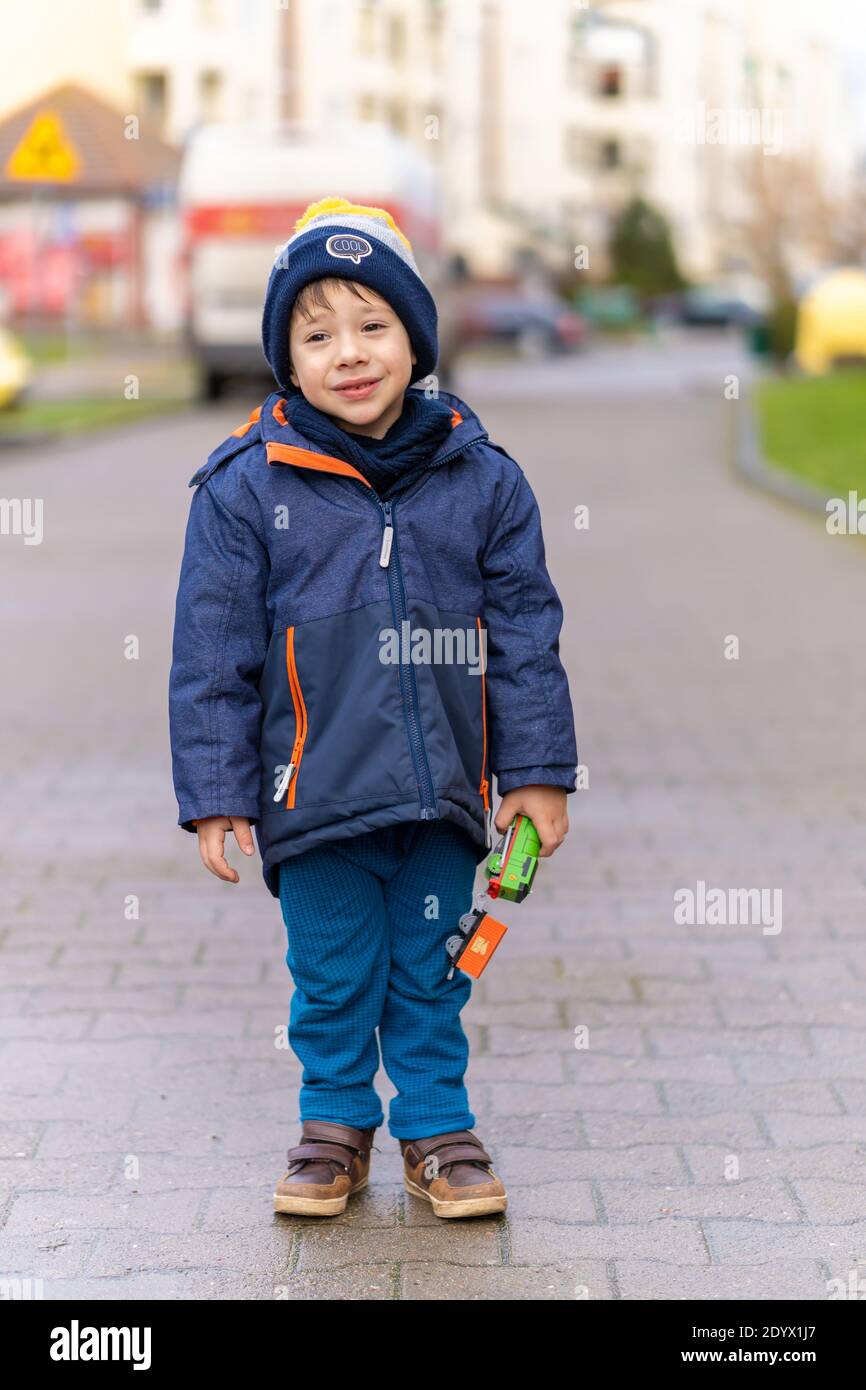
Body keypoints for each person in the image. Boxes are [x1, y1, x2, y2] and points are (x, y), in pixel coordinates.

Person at [168, 196, 578, 1220]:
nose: (346, 354)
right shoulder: (240, 486)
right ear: (285, 358)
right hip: (308, 797)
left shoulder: (481, 479)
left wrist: (532, 776)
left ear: (415, 338)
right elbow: (211, 654)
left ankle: (437, 1128)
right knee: (333, 972)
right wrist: (217, 793)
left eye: (371, 326)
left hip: (440, 789)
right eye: (315, 336)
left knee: (431, 973)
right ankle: (333, 1124)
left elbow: (525, 636)